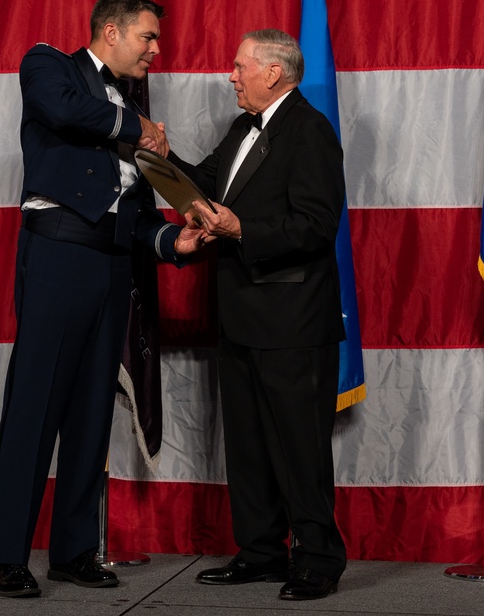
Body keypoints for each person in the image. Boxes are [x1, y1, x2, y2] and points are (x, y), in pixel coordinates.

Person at [0, 0, 206, 599]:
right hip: (58, 254)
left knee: (90, 412)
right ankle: (6, 555)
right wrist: (140, 129)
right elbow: (62, 110)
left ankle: (74, 550)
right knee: (35, 407)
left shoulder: (131, 109)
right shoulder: (50, 64)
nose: (157, 50)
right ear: (111, 31)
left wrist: (171, 243)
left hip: (111, 265)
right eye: (148, 37)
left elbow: (134, 219)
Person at [169, 29, 348, 601]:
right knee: (246, 443)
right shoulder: (243, 128)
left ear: (273, 72)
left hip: (294, 320)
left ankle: (318, 559)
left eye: (240, 65)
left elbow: (317, 227)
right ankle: (262, 552)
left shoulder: (310, 132)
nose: (231, 75)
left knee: (299, 446)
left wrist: (242, 229)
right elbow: (202, 184)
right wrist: (156, 155)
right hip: (241, 313)